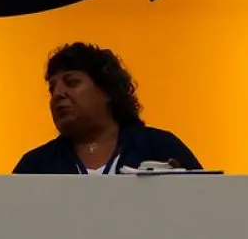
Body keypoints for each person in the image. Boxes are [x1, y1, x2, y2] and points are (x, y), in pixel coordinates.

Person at [13, 43, 201, 174]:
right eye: (52, 88)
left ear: (107, 91)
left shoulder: (160, 147)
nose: (58, 94)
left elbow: (208, 205)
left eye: (72, 82)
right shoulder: (35, 165)